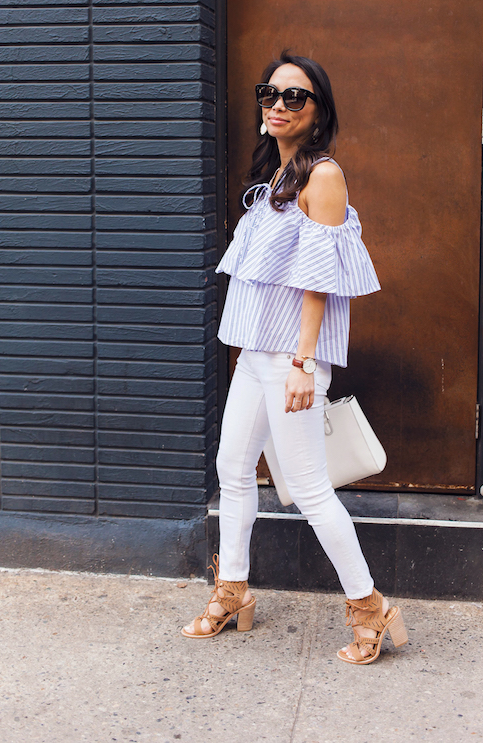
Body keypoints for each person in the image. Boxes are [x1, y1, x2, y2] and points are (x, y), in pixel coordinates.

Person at [181, 50, 408, 664]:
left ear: (318, 111)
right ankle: (232, 593)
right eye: (271, 94)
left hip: (291, 359)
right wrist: (248, 354)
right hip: (256, 355)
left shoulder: (323, 176)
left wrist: (305, 362)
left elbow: (319, 279)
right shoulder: (276, 181)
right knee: (233, 470)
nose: (279, 105)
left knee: (309, 488)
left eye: (295, 97)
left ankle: (370, 608)